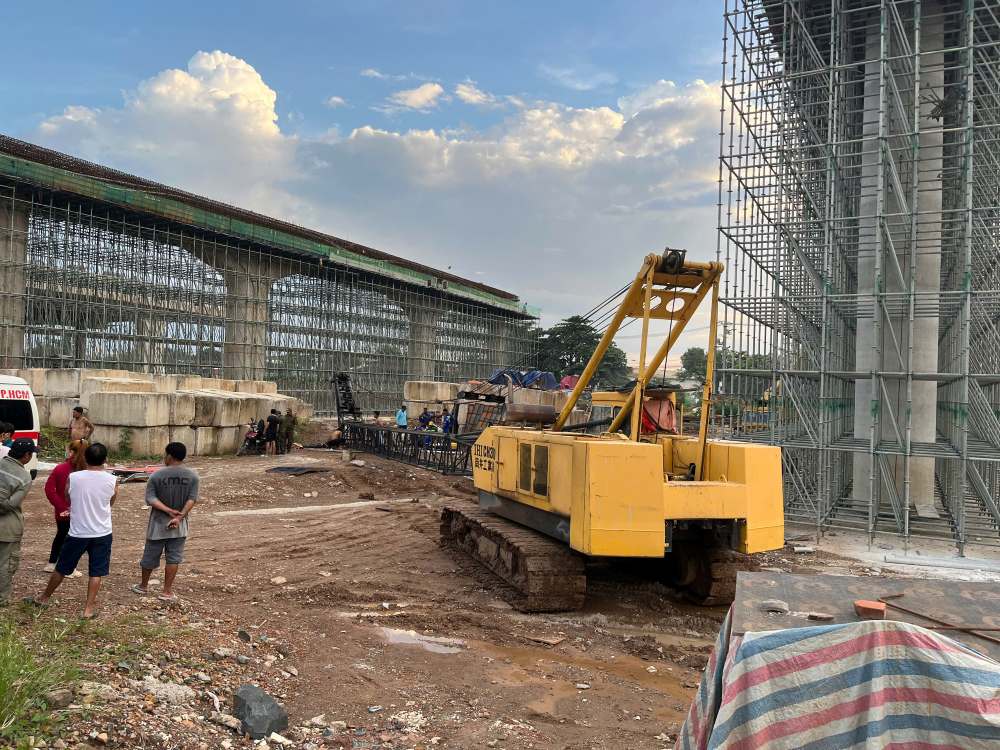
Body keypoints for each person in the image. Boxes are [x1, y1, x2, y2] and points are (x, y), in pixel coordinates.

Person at [28, 442, 118, 619]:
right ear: (105, 459)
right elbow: (111, 502)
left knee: (62, 567)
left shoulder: (74, 477)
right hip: (102, 532)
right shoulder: (112, 479)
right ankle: (88, 610)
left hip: (78, 531)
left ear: (86, 458)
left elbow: (68, 497)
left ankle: (44, 598)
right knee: (96, 571)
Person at [131, 442, 198, 602]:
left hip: (157, 525)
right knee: (174, 558)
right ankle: (167, 591)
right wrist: (179, 517)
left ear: (169, 455)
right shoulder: (193, 476)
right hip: (179, 526)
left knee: (149, 556)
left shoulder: (156, 476)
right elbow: (192, 499)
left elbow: (151, 499)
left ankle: (143, 586)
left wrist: (167, 511)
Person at [43, 439, 89, 576]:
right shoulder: (87, 471)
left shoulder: (60, 468)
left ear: (71, 451)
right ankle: (68, 568)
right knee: (73, 540)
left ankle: (52, 563)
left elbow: (49, 489)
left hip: (62, 511)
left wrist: (61, 507)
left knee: (61, 535)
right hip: (80, 511)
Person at [0, 439, 36, 606]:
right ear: (26, 455)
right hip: (7, 528)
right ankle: (2, 599)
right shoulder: (24, 476)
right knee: (6, 564)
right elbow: (9, 505)